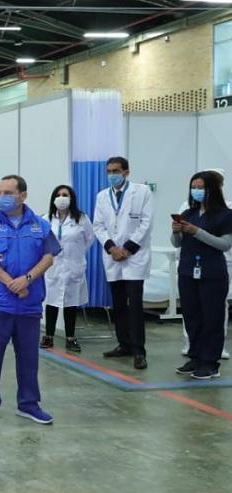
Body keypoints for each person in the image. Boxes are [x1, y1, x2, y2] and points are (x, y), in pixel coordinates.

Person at [0, 175, 61, 426]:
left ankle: (29, 404)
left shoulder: (39, 226)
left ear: (23, 195)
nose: (1, 197)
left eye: (7, 192)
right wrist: (11, 282)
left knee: (28, 358)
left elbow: (48, 257)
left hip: (29, 303)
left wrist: (27, 280)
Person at [94, 156, 153, 370]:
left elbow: (146, 223)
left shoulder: (142, 192)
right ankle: (124, 344)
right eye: (109, 171)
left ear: (126, 172)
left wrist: (127, 249)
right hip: (112, 257)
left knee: (135, 304)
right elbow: (98, 226)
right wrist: (111, 248)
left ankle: (139, 351)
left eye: (116, 171)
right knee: (118, 303)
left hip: (134, 256)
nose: (112, 175)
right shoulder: (102, 196)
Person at [172, 170, 232, 380]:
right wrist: (177, 231)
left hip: (212, 273)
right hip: (188, 271)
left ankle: (210, 361)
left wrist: (197, 232)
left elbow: (224, 244)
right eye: (193, 187)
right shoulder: (189, 213)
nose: (196, 191)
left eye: (201, 188)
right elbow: (177, 243)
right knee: (192, 316)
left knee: (212, 317)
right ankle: (195, 356)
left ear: (212, 190)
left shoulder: (225, 215)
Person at [41, 185, 95, 353]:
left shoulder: (81, 218)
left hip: (73, 266)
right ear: (53, 199)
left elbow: (89, 239)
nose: (61, 198)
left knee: (71, 303)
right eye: (58, 195)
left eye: (65, 195)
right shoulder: (46, 219)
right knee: (51, 302)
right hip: (53, 267)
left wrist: (75, 255)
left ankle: (70, 338)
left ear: (71, 198)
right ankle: (48, 336)